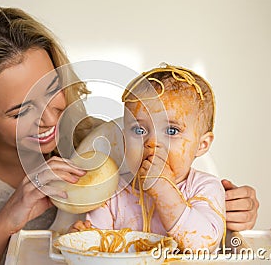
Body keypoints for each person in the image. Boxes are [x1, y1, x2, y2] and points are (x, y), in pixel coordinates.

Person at [0, 5, 258, 265]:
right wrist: (3, 225)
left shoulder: (109, 142)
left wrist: (232, 213)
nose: (48, 118)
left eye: (52, 88)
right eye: (19, 111)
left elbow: (196, 197)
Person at [71, 64, 225, 252]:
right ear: (124, 139)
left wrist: (164, 190)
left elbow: (203, 245)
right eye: (139, 130)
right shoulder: (112, 193)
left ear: (202, 145)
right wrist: (84, 239)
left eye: (171, 130)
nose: (152, 142)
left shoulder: (204, 188)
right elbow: (98, 249)